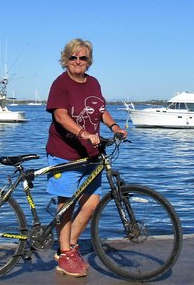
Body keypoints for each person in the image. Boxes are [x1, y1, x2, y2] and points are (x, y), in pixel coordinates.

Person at [45, 38, 127, 277]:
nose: (78, 61)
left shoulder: (93, 83)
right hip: (65, 154)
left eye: (83, 58)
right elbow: (60, 116)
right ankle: (65, 253)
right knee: (66, 205)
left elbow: (100, 110)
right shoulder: (60, 84)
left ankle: (67, 249)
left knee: (90, 205)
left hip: (92, 155)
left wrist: (113, 127)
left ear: (89, 61)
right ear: (66, 59)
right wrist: (84, 133)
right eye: (73, 57)